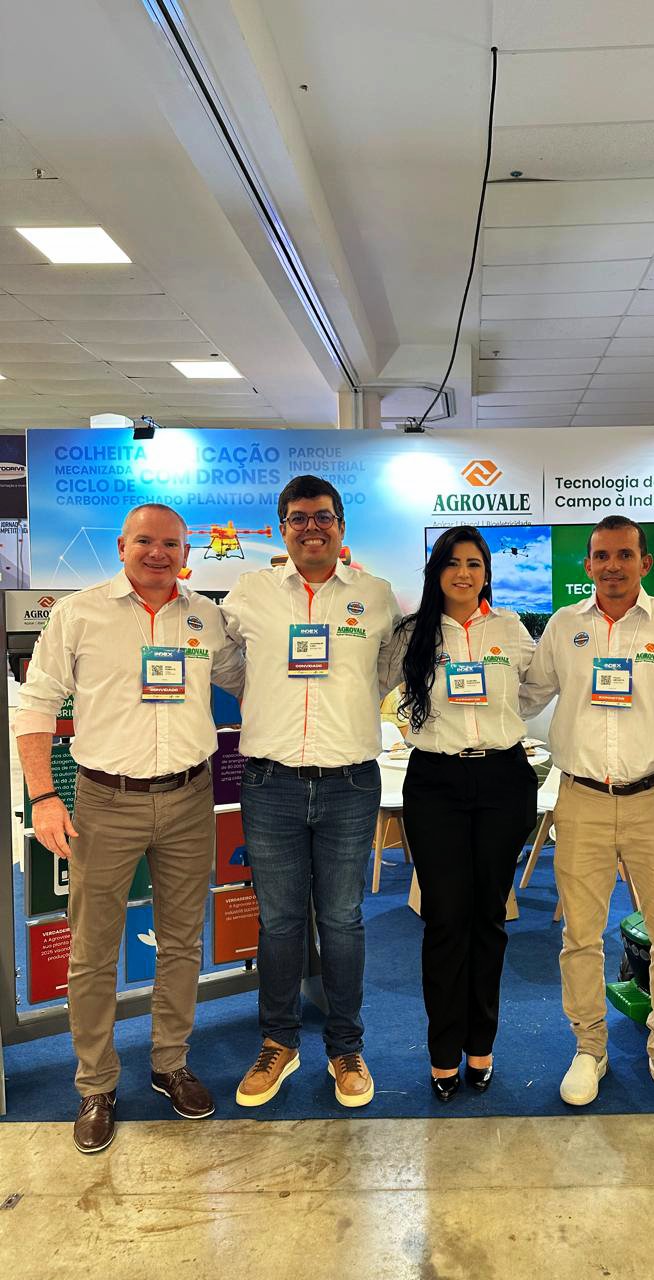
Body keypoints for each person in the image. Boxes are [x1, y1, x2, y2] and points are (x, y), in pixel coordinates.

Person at [14, 503, 245, 1153]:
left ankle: (170, 1063)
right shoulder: (79, 614)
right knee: (92, 950)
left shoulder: (203, 617)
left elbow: (245, 679)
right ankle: (95, 1084)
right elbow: (37, 704)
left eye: (170, 543)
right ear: (122, 546)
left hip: (189, 797)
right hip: (105, 801)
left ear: (186, 553)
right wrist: (44, 797)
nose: (157, 553)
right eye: (145, 541)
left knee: (181, 941)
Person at [222, 476, 400, 1109]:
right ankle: (279, 1043)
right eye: (298, 518)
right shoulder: (249, 593)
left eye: (323, 517)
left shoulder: (375, 596)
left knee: (343, 920)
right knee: (279, 922)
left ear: (341, 526)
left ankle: (345, 1047)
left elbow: (389, 669)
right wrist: (264, 698)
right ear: (283, 528)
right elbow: (226, 665)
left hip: (349, 781)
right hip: (270, 782)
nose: (311, 528)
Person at [521, 515, 654, 1113]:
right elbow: (525, 695)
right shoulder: (564, 626)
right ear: (588, 565)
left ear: (645, 563)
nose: (613, 566)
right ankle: (589, 1048)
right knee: (580, 935)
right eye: (602, 555)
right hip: (582, 800)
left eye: (625, 555)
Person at [390, 525, 538, 1100]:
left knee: (489, 918)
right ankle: (443, 1051)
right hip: (437, 783)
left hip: (503, 779)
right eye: (452, 562)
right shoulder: (412, 634)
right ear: (437, 571)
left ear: (486, 573)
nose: (464, 573)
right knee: (446, 918)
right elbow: (376, 685)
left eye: (474, 563)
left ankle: (482, 1044)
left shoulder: (510, 629)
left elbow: (534, 690)